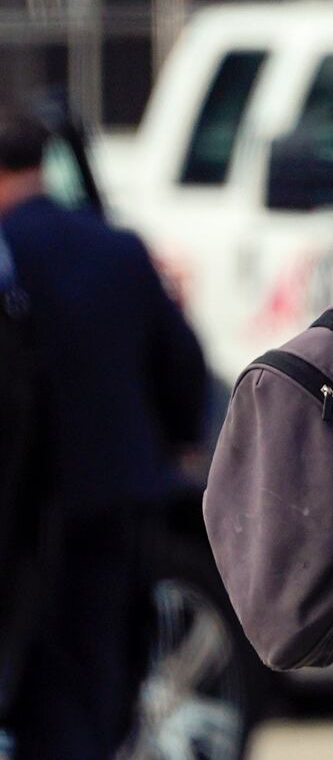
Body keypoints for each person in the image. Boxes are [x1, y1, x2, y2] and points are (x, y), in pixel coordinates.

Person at [0, 111, 208, 760]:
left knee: (32, 693)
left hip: (23, 521)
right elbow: (183, 370)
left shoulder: (10, 257)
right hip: (117, 506)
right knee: (96, 687)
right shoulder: (115, 247)